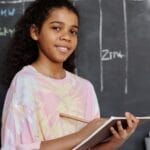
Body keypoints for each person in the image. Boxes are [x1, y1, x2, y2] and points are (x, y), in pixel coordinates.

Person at [1, 0, 139, 149]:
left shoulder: (85, 88)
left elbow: (90, 147)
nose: (66, 37)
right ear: (35, 32)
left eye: (72, 31)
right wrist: (83, 134)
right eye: (56, 28)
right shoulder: (25, 81)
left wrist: (115, 141)